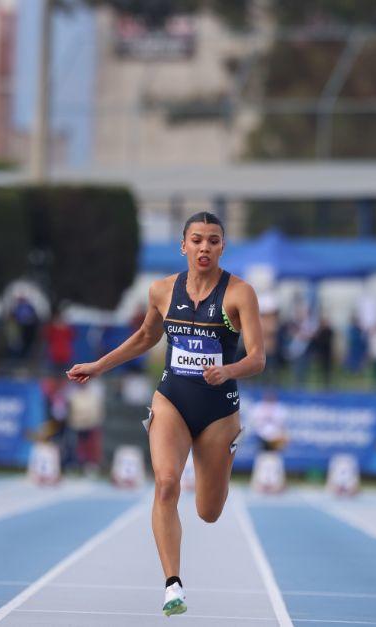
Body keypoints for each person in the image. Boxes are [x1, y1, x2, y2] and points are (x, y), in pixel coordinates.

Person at [67, 212, 264, 617]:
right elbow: (144, 337)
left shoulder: (240, 294)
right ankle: (173, 585)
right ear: (183, 246)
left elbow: (259, 358)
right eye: (196, 240)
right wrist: (97, 366)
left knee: (209, 512)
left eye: (213, 240)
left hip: (219, 410)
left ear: (222, 247)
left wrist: (228, 369)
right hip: (171, 399)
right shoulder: (161, 290)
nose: (204, 248)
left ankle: (217, 472)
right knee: (166, 485)